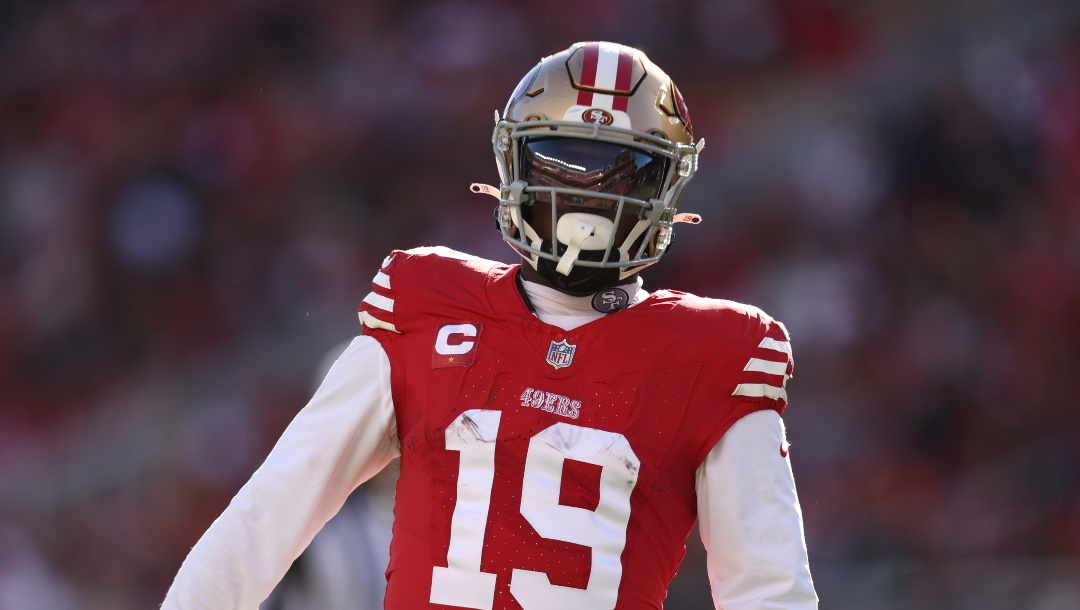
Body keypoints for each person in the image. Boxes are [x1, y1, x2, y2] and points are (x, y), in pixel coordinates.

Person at [163, 41, 817, 609]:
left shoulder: (714, 357)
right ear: (515, 165)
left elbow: (767, 590)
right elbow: (268, 516)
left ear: (664, 191)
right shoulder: (426, 308)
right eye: (561, 162)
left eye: (620, 174)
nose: (585, 196)